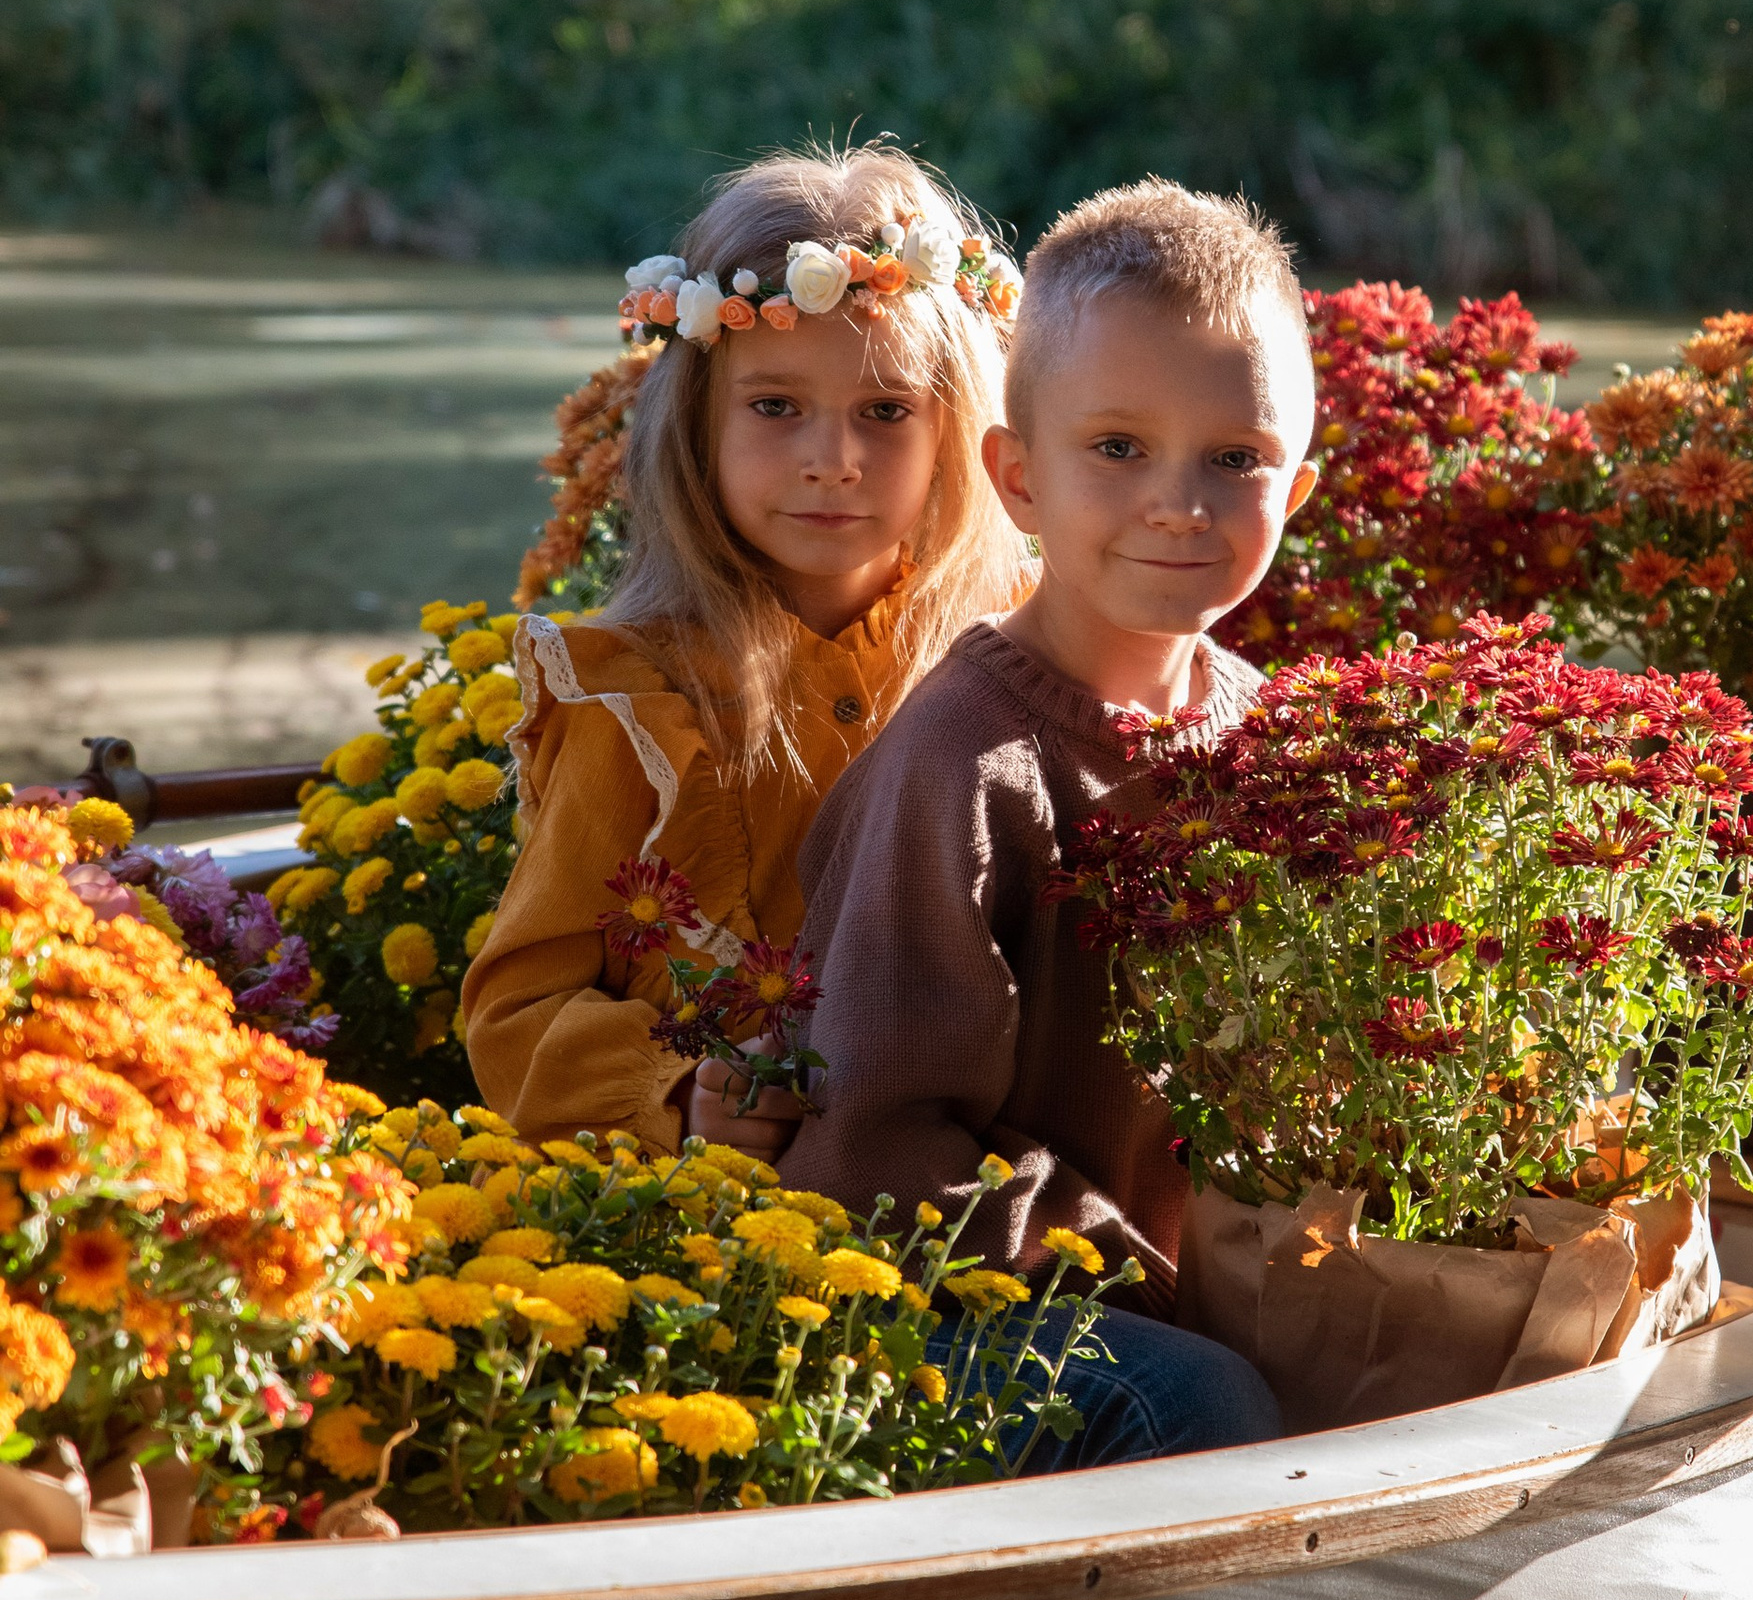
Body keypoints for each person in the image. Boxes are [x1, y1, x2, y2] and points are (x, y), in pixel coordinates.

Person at [782, 178, 1318, 1461]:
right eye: (1118, 448)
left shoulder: (1273, 742)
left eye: (1234, 459)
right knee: (1200, 1407)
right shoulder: (966, 763)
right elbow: (879, 1146)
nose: (1179, 503)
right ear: (1018, 477)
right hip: (951, 1296)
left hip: (1184, 1269)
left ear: (1294, 486)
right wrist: (1138, 1270)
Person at [460, 140, 1024, 1148]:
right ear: (696, 423)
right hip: (725, 1233)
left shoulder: (1008, 656)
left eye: (886, 410)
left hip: (968, 1195)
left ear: (958, 426)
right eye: (775, 407)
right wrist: (685, 1096)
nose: (833, 462)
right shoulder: (631, 698)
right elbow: (514, 1014)